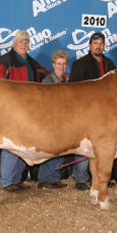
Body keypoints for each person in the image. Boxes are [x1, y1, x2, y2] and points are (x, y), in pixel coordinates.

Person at [0, 30, 48, 192]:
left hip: (28, 110)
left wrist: (61, 76)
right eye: (21, 42)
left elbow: (44, 74)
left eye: (26, 42)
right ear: (14, 44)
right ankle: (6, 181)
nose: (24, 44)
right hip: (10, 110)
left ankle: (15, 179)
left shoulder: (30, 61)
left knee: (22, 145)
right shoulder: (5, 61)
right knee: (10, 146)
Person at [69, 31, 116, 190]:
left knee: (103, 144)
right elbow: (72, 89)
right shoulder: (80, 64)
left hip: (105, 114)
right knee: (84, 144)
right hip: (85, 111)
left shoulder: (110, 64)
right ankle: (81, 178)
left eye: (101, 44)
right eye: (95, 43)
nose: (98, 46)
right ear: (89, 45)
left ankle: (100, 176)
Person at [37, 50, 69, 189]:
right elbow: (43, 102)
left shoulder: (68, 81)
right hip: (50, 118)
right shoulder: (47, 81)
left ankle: (54, 177)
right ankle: (44, 179)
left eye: (64, 64)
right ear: (53, 64)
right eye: (58, 64)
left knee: (60, 148)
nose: (61, 67)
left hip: (64, 119)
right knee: (49, 148)